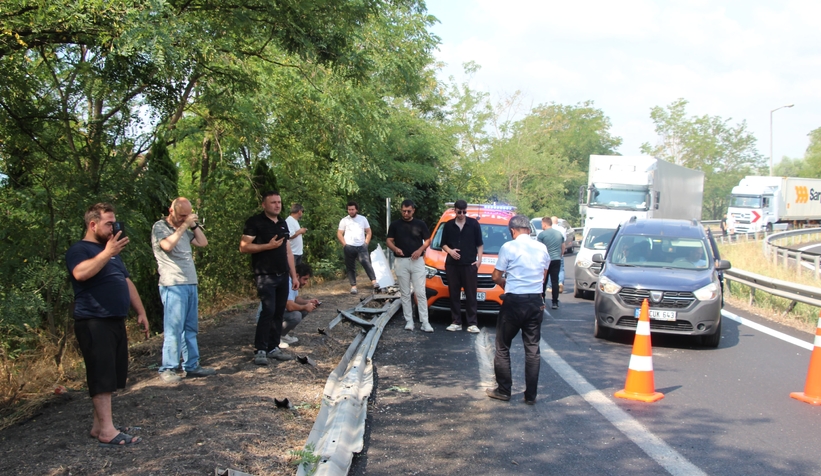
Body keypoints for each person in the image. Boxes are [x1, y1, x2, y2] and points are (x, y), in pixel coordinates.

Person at [66, 203, 150, 447]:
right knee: (101, 375)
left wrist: (141, 311)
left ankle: (99, 426)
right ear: (93, 225)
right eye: (108, 223)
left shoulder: (110, 252)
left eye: (114, 223)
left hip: (114, 319)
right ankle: (107, 431)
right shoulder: (79, 249)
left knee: (111, 375)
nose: (114, 227)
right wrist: (107, 253)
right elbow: (80, 273)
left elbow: (125, 281)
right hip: (93, 320)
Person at [487, 215, 551, 405]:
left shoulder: (509, 247)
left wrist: (505, 283)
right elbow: (543, 274)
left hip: (514, 302)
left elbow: (496, 275)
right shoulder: (542, 248)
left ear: (512, 231)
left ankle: (504, 390)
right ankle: (530, 396)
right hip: (534, 302)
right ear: (529, 230)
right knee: (532, 349)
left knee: (502, 346)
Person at [151, 197, 215, 383]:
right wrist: (183, 226)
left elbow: (203, 243)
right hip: (173, 284)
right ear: (171, 211)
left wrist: (193, 226)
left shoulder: (186, 228)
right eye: (181, 215)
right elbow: (167, 246)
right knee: (174, 328)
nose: (184, 219)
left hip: (190, 282)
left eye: (187, 215)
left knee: (190, 328)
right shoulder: (160, 227)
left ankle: (192, 365)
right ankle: (168, 367)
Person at [240, 191, 299, 365]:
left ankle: (273, 347)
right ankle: (260, 349)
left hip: (283, 276)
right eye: (273, 202)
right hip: (265, 276)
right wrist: (268, 246)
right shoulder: (255, 222)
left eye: (279, 202)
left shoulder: (282, 223)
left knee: (279, 312)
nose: (277, 205)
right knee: (268, 311)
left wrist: (293, 276)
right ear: (264, 205)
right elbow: (243, 247)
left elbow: (288, 250)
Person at [386, 199, 433, 333]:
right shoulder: (395, 225)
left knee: (420, 292)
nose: (406, 213)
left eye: (408, 211)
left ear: (413, 210)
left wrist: (420, 250)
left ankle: (425, 322)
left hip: (417, 261)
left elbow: (428, 239)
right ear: (401, 210)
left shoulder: (420, 224)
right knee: (405, 293)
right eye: (403, 211)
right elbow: (389, 240)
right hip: (401, 261)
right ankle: (409, 321)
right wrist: (395, 249)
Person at [441, 200, 484, 333]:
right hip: (452, 265)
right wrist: (450, 251)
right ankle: (456, 322)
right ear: (455, 210)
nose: (462, 214)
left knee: (471, 294)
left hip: (469, 264)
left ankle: (472, 323)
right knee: (454, 293)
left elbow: (480, 244)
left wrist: (479, 260)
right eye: (459, 212)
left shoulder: (474, 224)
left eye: (464, 211)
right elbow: (443, 244)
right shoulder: (448, 225)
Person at [337, 201, 379, 294]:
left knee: (366, 263)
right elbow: (339, 233)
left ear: (356, 209)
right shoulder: (344, 220)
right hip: (349, 246)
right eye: (349, 209)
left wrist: (366, 243)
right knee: (350, 267)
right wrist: (345, 245)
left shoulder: (363, 219)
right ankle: (353, 287)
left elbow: (368, 231)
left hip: (361, 246)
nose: (351, 211)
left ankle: (374, 282)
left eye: (352, 209)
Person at [281, 263, 319, 346]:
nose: (305, 282)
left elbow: (296, 299)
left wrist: (308, 302)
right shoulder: (287, 283)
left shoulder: (293, 282)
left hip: (280, 313)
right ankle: (275, 336)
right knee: (296, 315)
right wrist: (305, 307)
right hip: (271, 315)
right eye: (304, 279)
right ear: (297, 276)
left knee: (303, 311)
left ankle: (282, 335)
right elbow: (290, 306)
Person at [537, 216, 562, 309]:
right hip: (556, 259)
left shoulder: (542, 235)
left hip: (545, 260)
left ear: (544, 224)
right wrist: (560, 255)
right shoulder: (559, 234)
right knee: (555, 281)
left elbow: (538, 248)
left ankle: (542, 299)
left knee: (543, 280)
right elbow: (562, 246)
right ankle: (555, 302)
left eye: (541, 224)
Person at [547, 216, 567, 294]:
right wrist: (562, 253)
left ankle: (550, 286)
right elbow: (563, 243)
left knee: (549, 269)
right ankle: (560, 282)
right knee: (561, 269)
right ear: (557, 222)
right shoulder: (562, 229)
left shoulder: (549, 230)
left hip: (550, 253)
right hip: (559, 252)